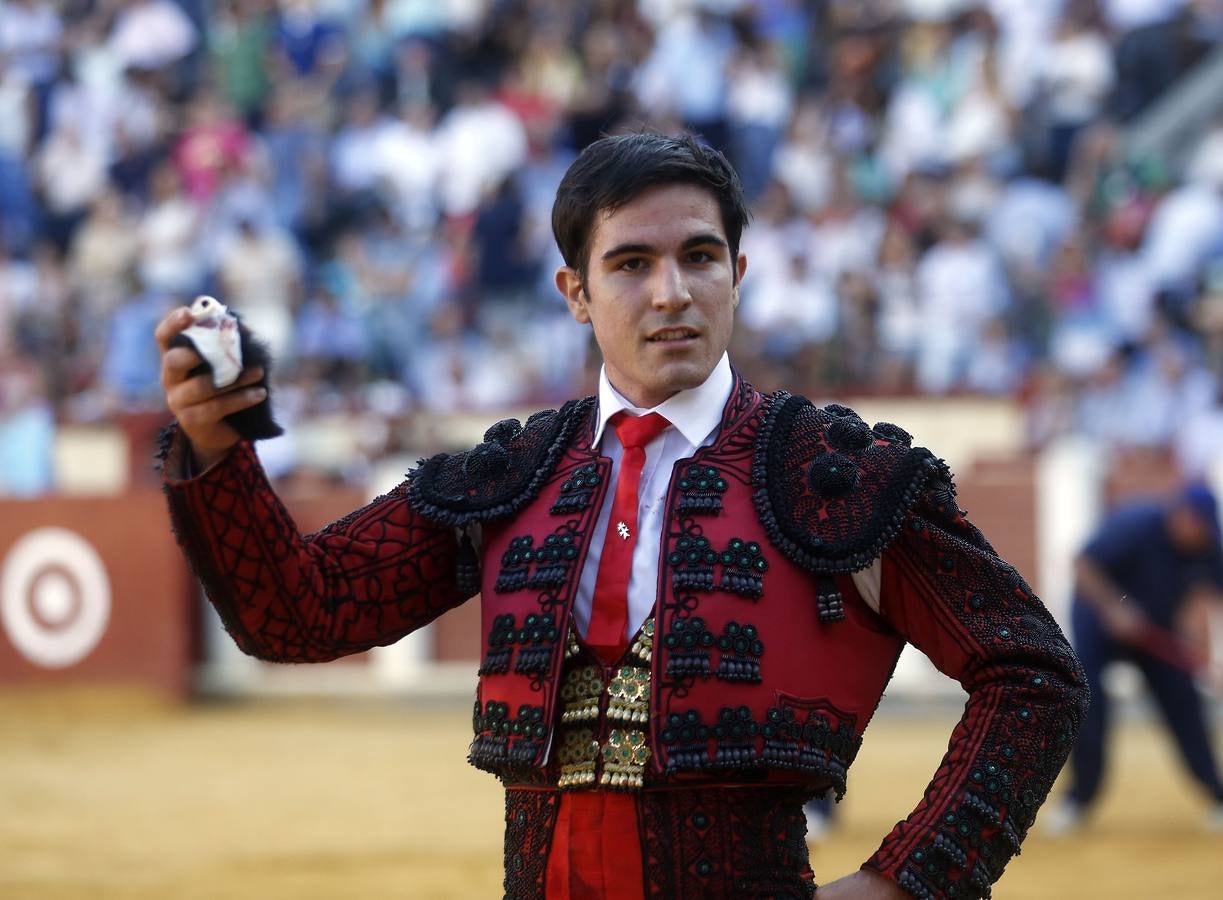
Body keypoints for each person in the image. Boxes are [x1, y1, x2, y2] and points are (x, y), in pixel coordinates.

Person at [154, 132, 1088, 899]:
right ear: (575, 292)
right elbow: (300, 611)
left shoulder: (833, 473)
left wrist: (906, 883)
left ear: (739, 272)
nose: (670, 292)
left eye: (698, 257)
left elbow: (1032, 674)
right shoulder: (515, 473)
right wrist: (216, 450)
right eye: (631, 264)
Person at [1047, 482, 1223, 836]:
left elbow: (1208, 600)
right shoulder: (1138, 524)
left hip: (1155, 631)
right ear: (1181, 516)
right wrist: (1115, 609)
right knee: (1089, 706)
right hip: (1100, 624)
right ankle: (1077, 801)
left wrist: (1204, 656)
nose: (1201, 534)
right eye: (1198, 525)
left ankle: (1218, 797)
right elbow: (1082, 564)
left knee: (1185, 705)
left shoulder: (1208, 546)